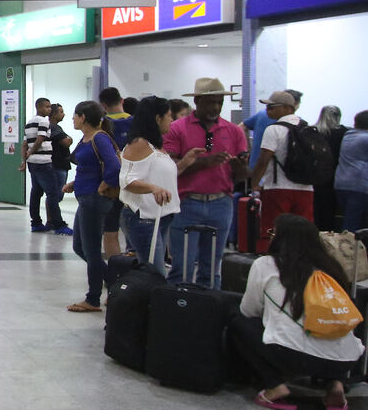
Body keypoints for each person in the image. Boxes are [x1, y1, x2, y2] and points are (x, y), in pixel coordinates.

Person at [229, 214, 364, 410]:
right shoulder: (331, 269)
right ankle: (336, 384)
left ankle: (275, 385)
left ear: (281, 239)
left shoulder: (266, 265)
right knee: (327, 333)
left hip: (294, 357)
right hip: (346, 361)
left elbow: (249, 310)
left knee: (239, 324)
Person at [163, 78, 248, 288]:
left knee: (212, 269)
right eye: (211, 102)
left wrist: (240, 169)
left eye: (220, 102)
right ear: (198, 101)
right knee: (183, 266)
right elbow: (169, 168)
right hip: (186, 202)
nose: (216, 107)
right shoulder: (177, 128)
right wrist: (203, 164)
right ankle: (179, 309)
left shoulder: (234, 131)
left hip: (220, 203)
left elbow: (243, 175)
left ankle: (208, 312)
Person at [119, 96, 190, 275]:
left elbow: (162, 178)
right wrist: (153, 188)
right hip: (143, 218)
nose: (172, 121)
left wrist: (187, 161)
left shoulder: (155, 146)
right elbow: (126, 181)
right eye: (169, 116)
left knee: (154, 271)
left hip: (161, 216)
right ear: (157, 118)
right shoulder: (139, 144)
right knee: (155, 273)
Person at [63, 101, 120, 312]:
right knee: (80, 247)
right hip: (85, 197)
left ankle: (93, 298)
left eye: (75, 115)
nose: (73, 119)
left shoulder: (100, 137)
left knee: (92, 250)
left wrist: (103, 186)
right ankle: (114, 284)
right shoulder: (86, 138)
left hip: (95, 200)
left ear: (84, 117)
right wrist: (74, 184)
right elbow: (89, 168)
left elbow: (113, 166)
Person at [251, 91, 314, 243]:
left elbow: (264, 159)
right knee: (302, 234)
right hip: (306, 189)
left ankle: (273, 263)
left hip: (277, 188)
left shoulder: (274, 129)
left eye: (271, 106)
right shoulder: (308, 128)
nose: (267, 110)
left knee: (273, 232)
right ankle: (299, 264)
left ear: (287, 108)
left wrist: (255, 183)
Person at [20, 97, 66, 234]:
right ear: (39, 107)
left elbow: (24, 143)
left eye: (50, 107)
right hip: (44, 162)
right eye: (46, 107)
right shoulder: (43, 121)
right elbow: (40, 139)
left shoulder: (29, 123)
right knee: (52, 194)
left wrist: (24, 160)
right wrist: (31, 152)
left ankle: (36, 223)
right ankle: (58, 225)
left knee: (36, 192)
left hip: (33, 164)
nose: (49, 109)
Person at [98, 87, 132, 258]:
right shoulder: (136, 123)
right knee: (133, 232)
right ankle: (136, 272)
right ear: (122, 100)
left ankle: (116, 271)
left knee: (110, 232)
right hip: (134, 183)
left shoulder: (101, 125)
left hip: (109, 184)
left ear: (103, 105)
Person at [312, 105, 347, 232]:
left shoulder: (313, 131)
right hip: (335, 175)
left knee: (316, 209)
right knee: (330, 210)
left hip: (314, 175)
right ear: (338, 117)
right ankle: (329, 238)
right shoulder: (343, 133)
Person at [336, 110, 368, 232]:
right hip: (360, 186)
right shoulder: (365, 139)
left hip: (341, 185)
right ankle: (350, 249)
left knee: (350, 221)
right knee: (353, 225)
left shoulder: (348, 135)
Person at [48, 103, 73, 231]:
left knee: (53, 195)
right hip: (58, 165)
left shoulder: (55, 127)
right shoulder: (54, 128)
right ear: (54, 114)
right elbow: (66, 142)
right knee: (56, 195)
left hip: (58, 165)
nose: (64, 114)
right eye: (61, 112)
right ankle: (55, 221)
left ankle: (50, 220)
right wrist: (70, 139)